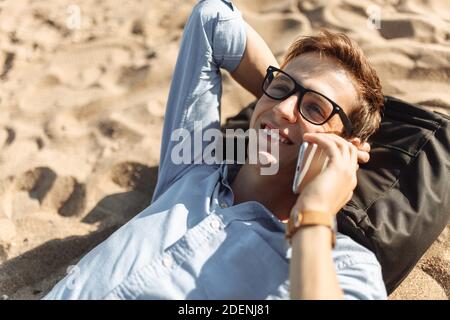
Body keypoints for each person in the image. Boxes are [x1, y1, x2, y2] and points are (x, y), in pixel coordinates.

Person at [44, 0, 387, 300]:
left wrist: (314, 211)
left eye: (316, 108)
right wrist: (279, 105)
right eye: (280, 87)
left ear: (343, 147)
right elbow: (212, 19)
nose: (285, 108)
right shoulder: (193, 165)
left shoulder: (345, 264)